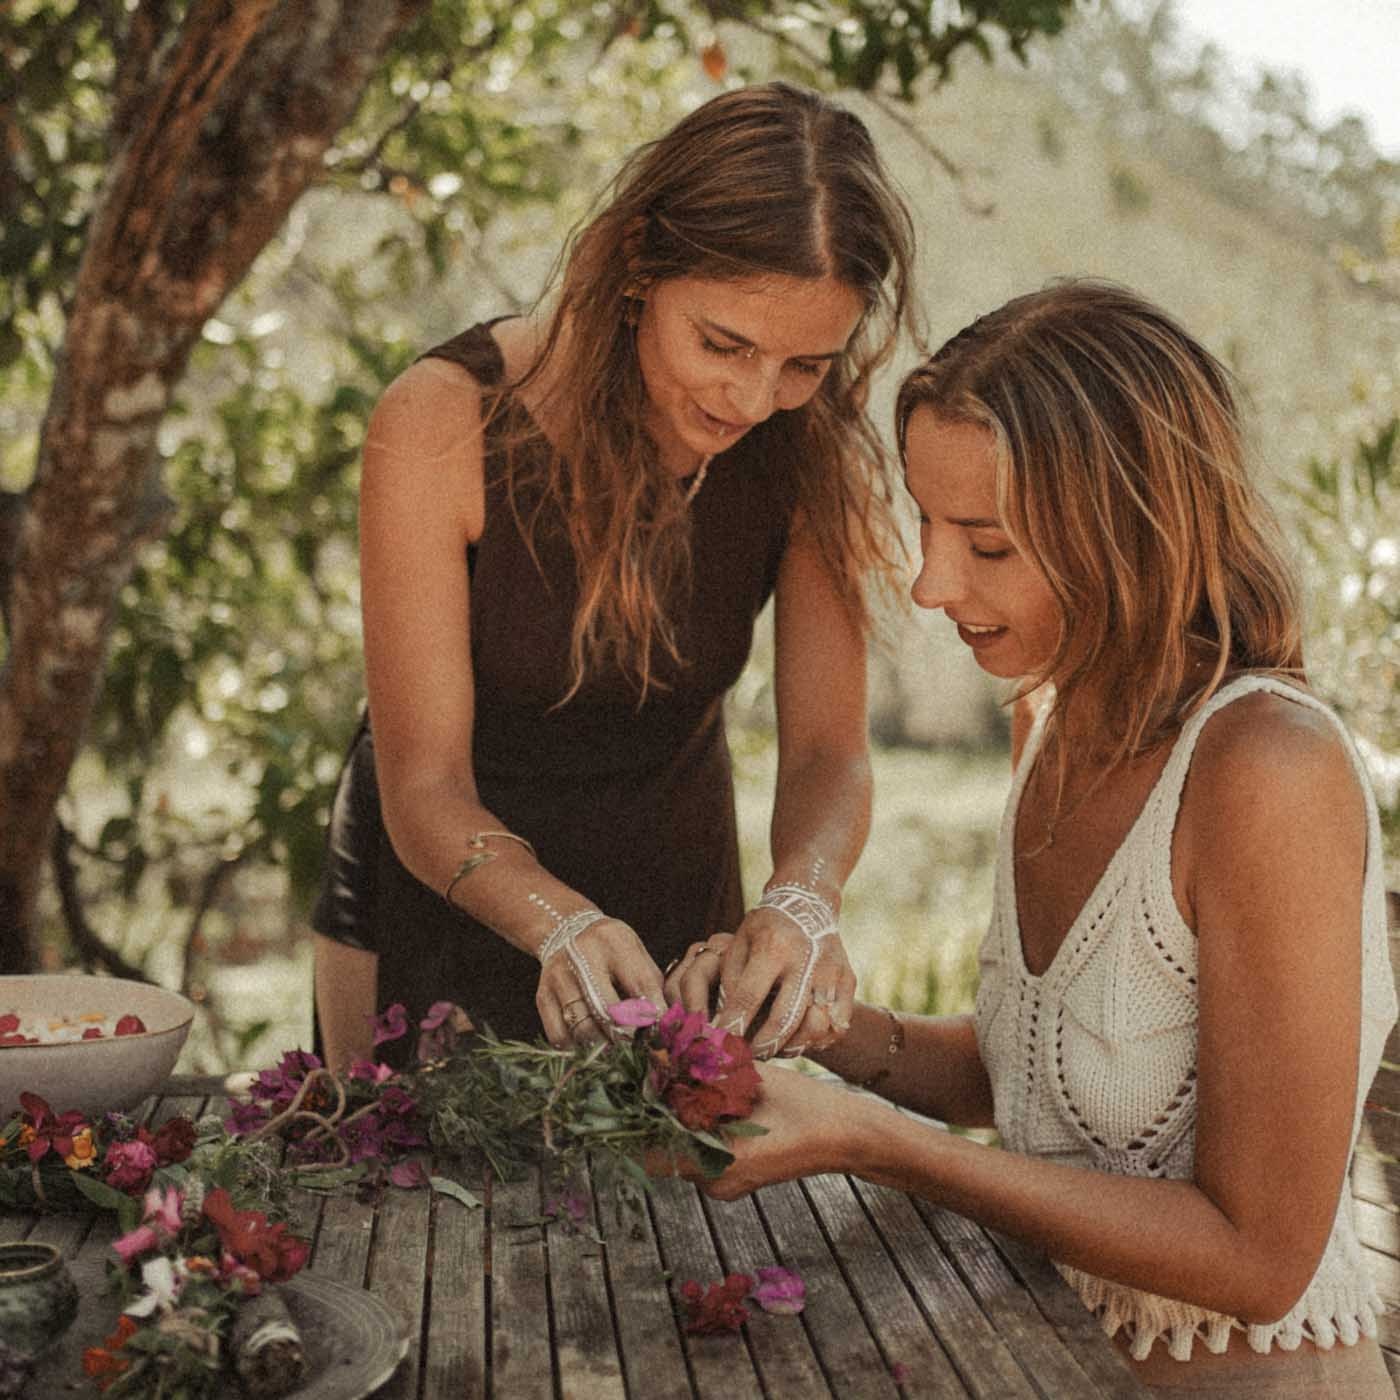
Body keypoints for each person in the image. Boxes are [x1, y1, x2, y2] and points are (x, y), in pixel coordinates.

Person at [665, 280, 1398, 1397]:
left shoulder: (1264, 770)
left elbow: (1257, 1253)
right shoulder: (1048, 715)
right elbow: (1035, 1076)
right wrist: (800, 1019)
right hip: (1033, 1359)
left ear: (1133, 534)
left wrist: (871, 1136)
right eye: (926, 521)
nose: (928, 580)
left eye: (988, 544)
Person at [311, 83, 918, 1070]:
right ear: (638, 259)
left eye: (803, 363)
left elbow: (824, 753)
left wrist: (802, 894)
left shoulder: (810, 447)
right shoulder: (442, 421)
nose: (752, 397)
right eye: (722, 343)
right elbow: (420, 782)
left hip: (677, 905)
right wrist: (553, 918)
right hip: (442, 890)